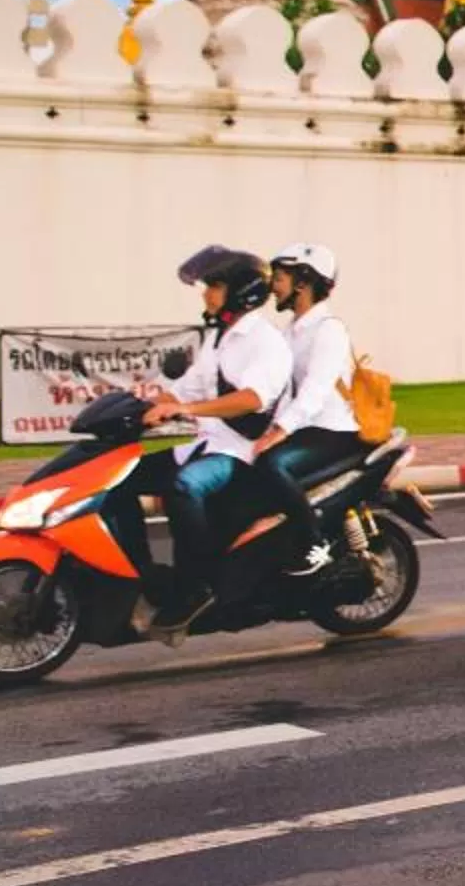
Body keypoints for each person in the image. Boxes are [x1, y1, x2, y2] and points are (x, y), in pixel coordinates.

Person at [103, 247, 293, 639]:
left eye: (216, 286)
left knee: (186, 487)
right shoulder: (219, 340)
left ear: (244, 291)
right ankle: (146, 575)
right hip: (203, 444)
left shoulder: (264, 341)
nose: (206, 294)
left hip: (239, 450)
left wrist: (187, 407)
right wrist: (145, 405)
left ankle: (197, 585)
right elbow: (182, 391)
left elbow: (252, 399)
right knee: (115, 478)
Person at [251, 243, 368, 580]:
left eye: (281, 277)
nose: (274, 285)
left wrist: (280, 431)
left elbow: (315, 390)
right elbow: (280, 391)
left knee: (272, 464)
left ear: (304, 282)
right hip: (305, 428)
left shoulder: (328, 329)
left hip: (334, 431)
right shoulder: (289, 332)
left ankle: (313, 545)